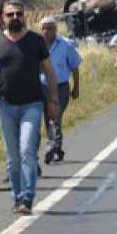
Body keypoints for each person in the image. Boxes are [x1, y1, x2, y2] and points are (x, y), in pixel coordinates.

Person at [0, 0, 59, 216]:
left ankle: (27, 198)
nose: (15, 17)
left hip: (32, 104)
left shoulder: (36, 41)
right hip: (5, 105)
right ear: (2, 18)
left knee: (27, 150)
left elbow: (50, 72)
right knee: (13, 156)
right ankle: (17, 196)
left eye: (19, 13)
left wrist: (53, 101)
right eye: (10, 14)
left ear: (24, 15)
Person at [39, 16, 82, 164]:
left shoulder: (66, 45)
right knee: (48, 118)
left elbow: (75, 67)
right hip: (43, 87)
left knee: (55, 116)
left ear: (55, 29)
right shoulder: (37, 45)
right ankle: (57, 148)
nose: (46, 31)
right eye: (43, 28)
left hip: (61, 87)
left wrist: (76, 87)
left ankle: (52, 146)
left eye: (49, 28)